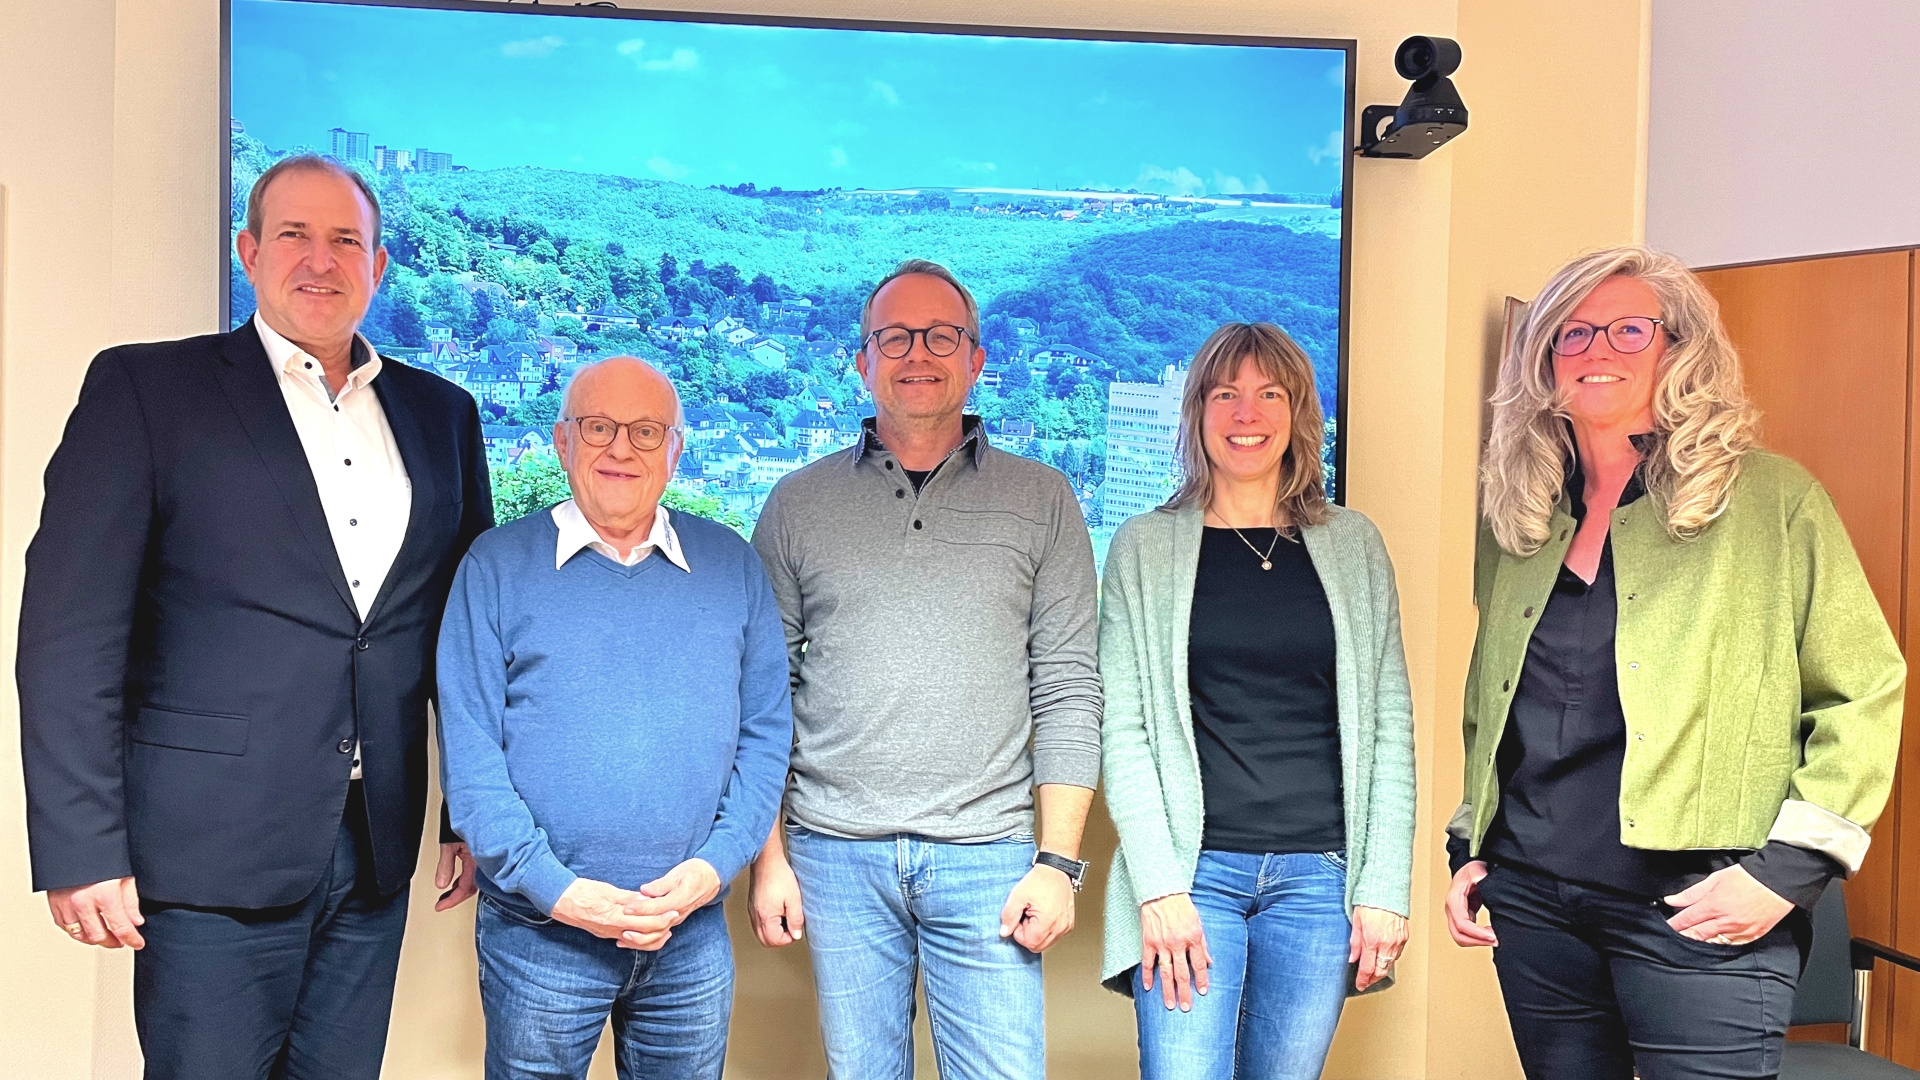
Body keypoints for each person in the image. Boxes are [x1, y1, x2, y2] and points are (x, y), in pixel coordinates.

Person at [17, 154, 494, 1078]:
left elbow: (460, 638)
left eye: (346, 240)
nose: (322, 260)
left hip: (372, 848)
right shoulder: (148, 392)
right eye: (295, 235)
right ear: (248, 251)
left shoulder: (443, 415)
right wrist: (79, 847)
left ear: (380, 264)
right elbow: (69, 637)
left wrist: (465, 812)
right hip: (205, 855)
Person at [1445, 245, 1905, 1079]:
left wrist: (1787, 872)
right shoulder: (1517, 519)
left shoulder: (1769, 499)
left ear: (1677, 347)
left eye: (1629, 329)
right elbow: (1496, 698)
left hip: (1702, 904)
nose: (1598, 352)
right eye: (1572, 335)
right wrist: (1470, 847)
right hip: (1536, 903)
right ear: (1544, 362)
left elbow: (1864, 690)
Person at [746, 259, 1103, 1078]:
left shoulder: (1043, 498)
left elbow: (1069, 690)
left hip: (993, 855)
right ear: (862, 359)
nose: (919, 353)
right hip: (835, 852)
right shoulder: (797, 503)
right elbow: (761, 693)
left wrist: (1057, 864)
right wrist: (769, 858)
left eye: (942, 335)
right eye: (895, 336)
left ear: (976, 359)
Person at [437, 356, 792, 1080]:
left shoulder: (732, 568)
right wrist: (559, 890)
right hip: (540, 935)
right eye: (598, 427)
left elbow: (765, 739)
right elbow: (469, 756)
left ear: (676, 449)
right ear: (562, 442)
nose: (621, 449)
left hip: (688, 934)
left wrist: (713, 868)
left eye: (645, 430)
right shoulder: (496, 566)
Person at [1098, 323, 1416, 1080]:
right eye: (1226, 394)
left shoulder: (1353, 544)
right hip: (1193, 872)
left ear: (1299, 412)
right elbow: (1125, 729)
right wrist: (1159, 886)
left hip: (1320, 878)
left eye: (1269, 394)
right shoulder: (1145, 546)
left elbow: (1390, 726)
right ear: (1197, 414)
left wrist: (1383, 886)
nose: (1248, 413)